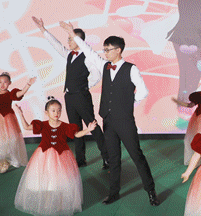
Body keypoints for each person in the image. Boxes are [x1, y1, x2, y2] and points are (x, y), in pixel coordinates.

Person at [61, 22, 159, 206]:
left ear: (118, 50)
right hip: (108, 121)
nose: (105, 52)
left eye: (108, 49)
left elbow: (143, 91)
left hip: (125, 121)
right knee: (113, 159)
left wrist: (128, 102)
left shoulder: (131, 68)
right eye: (104, 49)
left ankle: (151, 190)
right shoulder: (104, 66)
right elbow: (89, 51)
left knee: (136, 156)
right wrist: (72, 34)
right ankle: (113, 192)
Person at [32, 16, 108, 169]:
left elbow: (97, 75)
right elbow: (56, 44)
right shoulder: (69, 54)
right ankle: (80, 159)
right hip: (69, 97)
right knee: (75, 128)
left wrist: (84, 87)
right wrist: (43, 29)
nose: (68, 41)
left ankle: (107, 158)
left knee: (92, 125)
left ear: (79, 40)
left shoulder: (87, 57)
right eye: (68, 39)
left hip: (81, 96)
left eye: (70, 39)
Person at [12, 98, 96, 216]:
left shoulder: (65, 126)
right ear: (46, 112)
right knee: (46, 180)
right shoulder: (42, 125)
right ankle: (47, 202)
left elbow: (77, 134)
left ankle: (58, 203)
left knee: (59, 181)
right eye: (53, 110)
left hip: (61, 156)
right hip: (44, 156)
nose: (56, 113)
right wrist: (21, 114)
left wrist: (88, 129)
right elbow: (26, 127)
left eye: (59, 110)